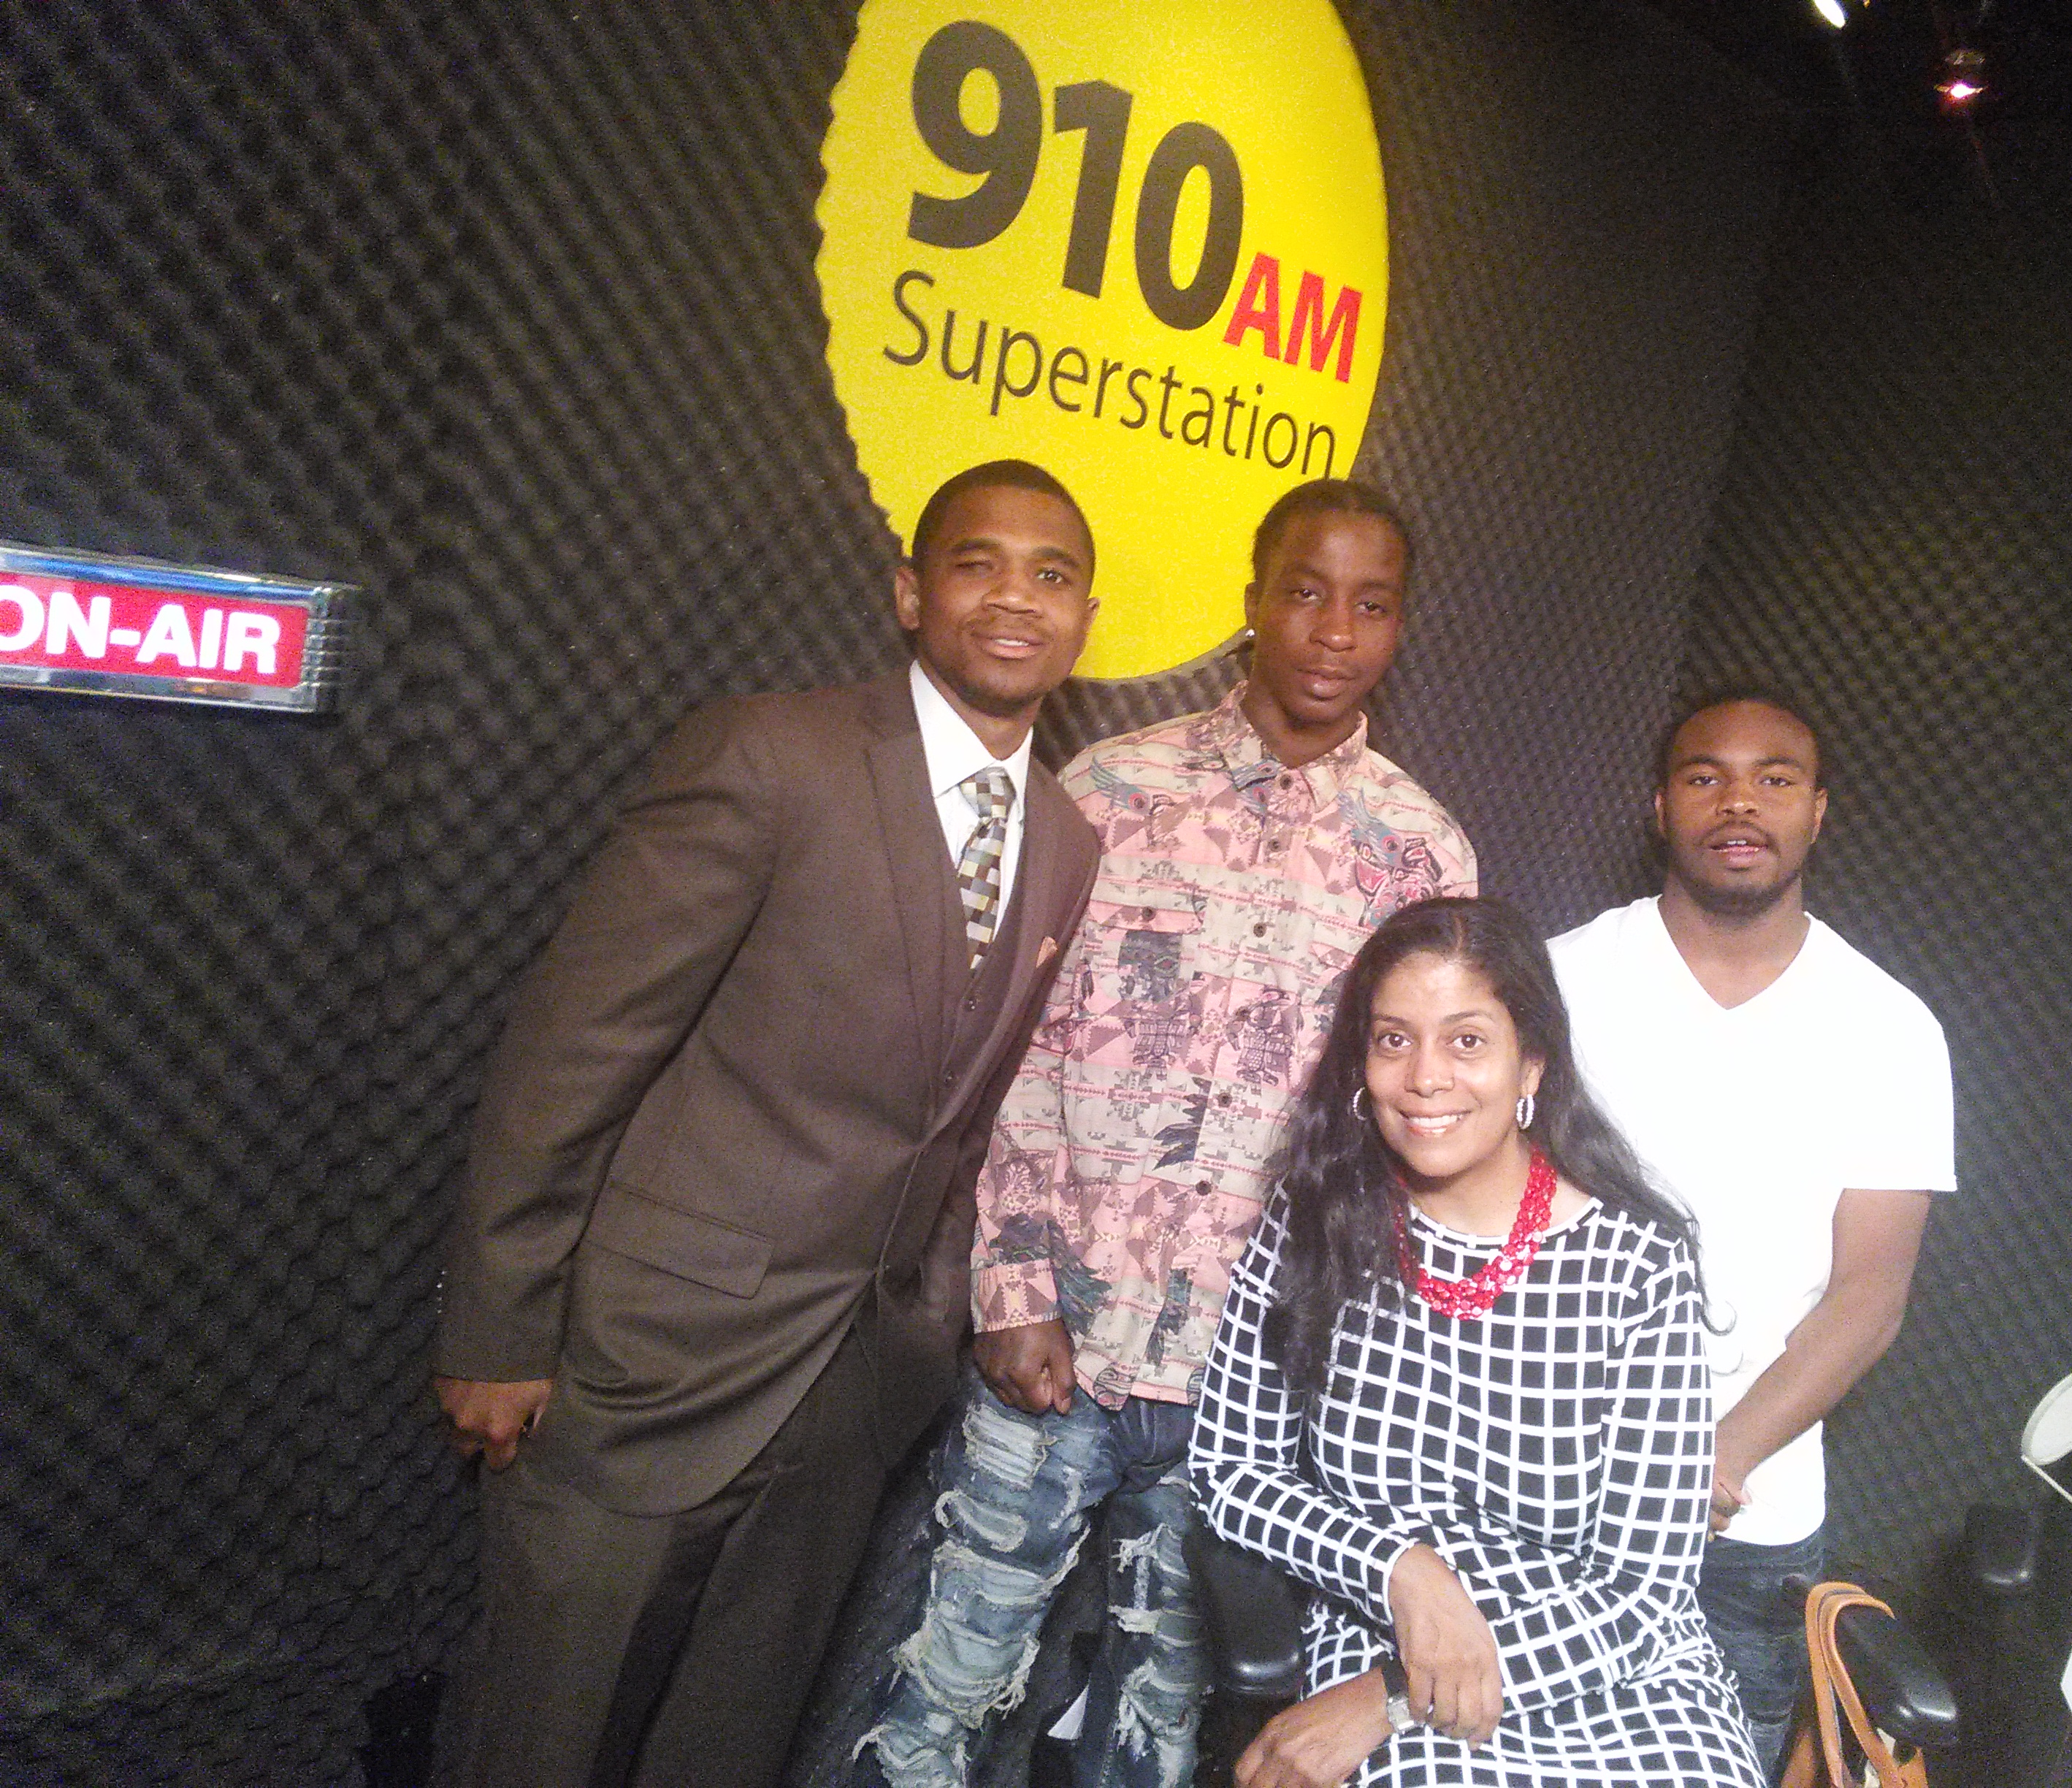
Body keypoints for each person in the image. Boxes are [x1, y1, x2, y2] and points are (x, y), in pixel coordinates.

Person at [429, 459, 1105, 1788]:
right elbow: (572, 1055)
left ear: (1086, 617)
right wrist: (496, 1325)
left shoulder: (1070, 840)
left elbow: (957, 1122)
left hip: (851, 1394)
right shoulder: (769, 752)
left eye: (1052, 573)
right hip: (651, 1363)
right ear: (910, 593)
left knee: (722, 1745)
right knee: (543, 1739)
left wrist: (928, 1322)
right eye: (977, 562)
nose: (1014, 597)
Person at [861, 480, 1477, 1788]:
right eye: (1303, 590)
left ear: (1398, 629)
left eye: (1368, 605)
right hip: (1055, 1342)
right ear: (1249, 600)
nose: (1330, 630)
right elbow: (1007, 1054)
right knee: (944, 1691)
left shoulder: (1421, 856)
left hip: (1248, 1393)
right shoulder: (1109, 790)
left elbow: (1409, 1136)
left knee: (1161, 1728)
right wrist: (1011, 1284)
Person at [1190, 895, 1764, 1788]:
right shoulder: (1315, 1221)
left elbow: (1643, 1596)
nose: (1425, 1079)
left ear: (1531, 1061)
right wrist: (1402, 1571)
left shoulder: (1635, 1264)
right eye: (1393, 1040)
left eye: (1466, 1041)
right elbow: (1230, 1471)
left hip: (1611, 1666)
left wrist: (1387, 1698)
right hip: (1384, 1627)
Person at [1546, 690, 1956, 1779]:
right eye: (1704, 774)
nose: (1740, 801)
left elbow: (1870, 1297)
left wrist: (1713, 1459)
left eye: (1776, 777)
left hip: (1746, 1525)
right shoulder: (1551, 981)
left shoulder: (1891, 1027)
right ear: (1660, 805)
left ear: (1818, 811)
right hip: (1534, 1499)